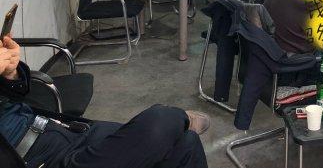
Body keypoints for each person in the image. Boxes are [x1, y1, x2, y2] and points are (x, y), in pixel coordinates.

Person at [0, 34, 210, 168]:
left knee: (186, 144)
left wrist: (11, 75)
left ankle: (177, 121)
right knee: (159, 122)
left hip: (57, 130)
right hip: (38, 158)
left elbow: (14, 97)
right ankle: (180, 118)